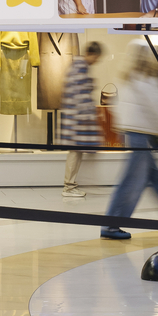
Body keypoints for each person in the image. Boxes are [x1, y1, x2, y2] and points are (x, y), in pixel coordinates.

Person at [101, 40, 158, 239]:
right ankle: (111, 225)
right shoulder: (147, 80)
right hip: (142, 137)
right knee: (131, 182)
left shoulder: (127, 78)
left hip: (137, 135)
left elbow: (119, 109)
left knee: (156, 180)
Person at [59, 40, 103, 198]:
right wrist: (88, 118)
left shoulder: (78, 67)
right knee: (75, 152)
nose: (96, 62)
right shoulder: (80, 68)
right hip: (78, 119)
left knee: (76, 152)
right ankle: (69, 187)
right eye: (96, 58)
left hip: (75, 117)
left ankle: (70, 185)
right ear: (91, 54)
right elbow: (80, 96)